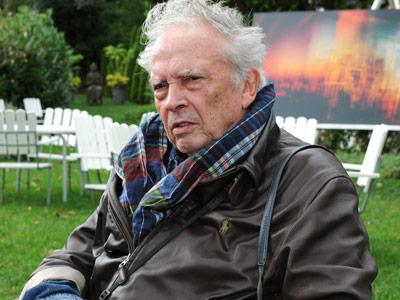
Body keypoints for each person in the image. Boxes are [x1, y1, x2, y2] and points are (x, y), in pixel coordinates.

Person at [20, 0, 377, 299]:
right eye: (161, 85)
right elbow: (75, 254)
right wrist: (53, 291)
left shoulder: (311, 186)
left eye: (192, 80)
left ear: (247, 85)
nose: (172, 101)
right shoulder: (140, 162)